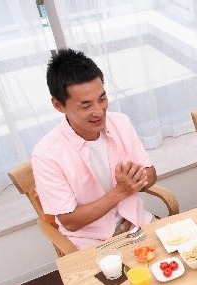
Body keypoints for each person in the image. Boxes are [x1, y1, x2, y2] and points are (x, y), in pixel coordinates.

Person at [31, 48, 156, 250]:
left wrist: (136, 181)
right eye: (86, 105)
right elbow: (70, 221)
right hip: (91, 245)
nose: (99, 111)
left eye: (102, 98)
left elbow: (151, 175)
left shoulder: (121, 123)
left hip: (137, 224)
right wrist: (121, 191)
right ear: (58, 105)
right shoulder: (46, 155)